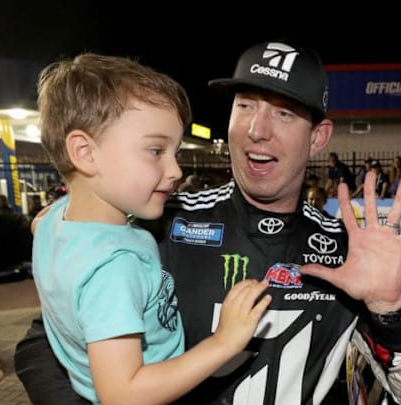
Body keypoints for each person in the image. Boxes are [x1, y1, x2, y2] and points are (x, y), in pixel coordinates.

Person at [16, 40, 401, 405]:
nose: (258, 129)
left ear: (318, 138)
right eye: (246, 106)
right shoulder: (157, 223)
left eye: (285, 113)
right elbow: (42, 343)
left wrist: (390, 311)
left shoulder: (350, 254)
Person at [24, 52, 271, 404]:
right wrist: (223, 343)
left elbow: (40, 224)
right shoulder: (115, 268)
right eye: (155, 150)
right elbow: (123, 393)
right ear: (84, 152)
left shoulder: (55, 219)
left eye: (174, 151)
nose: (176, 170)